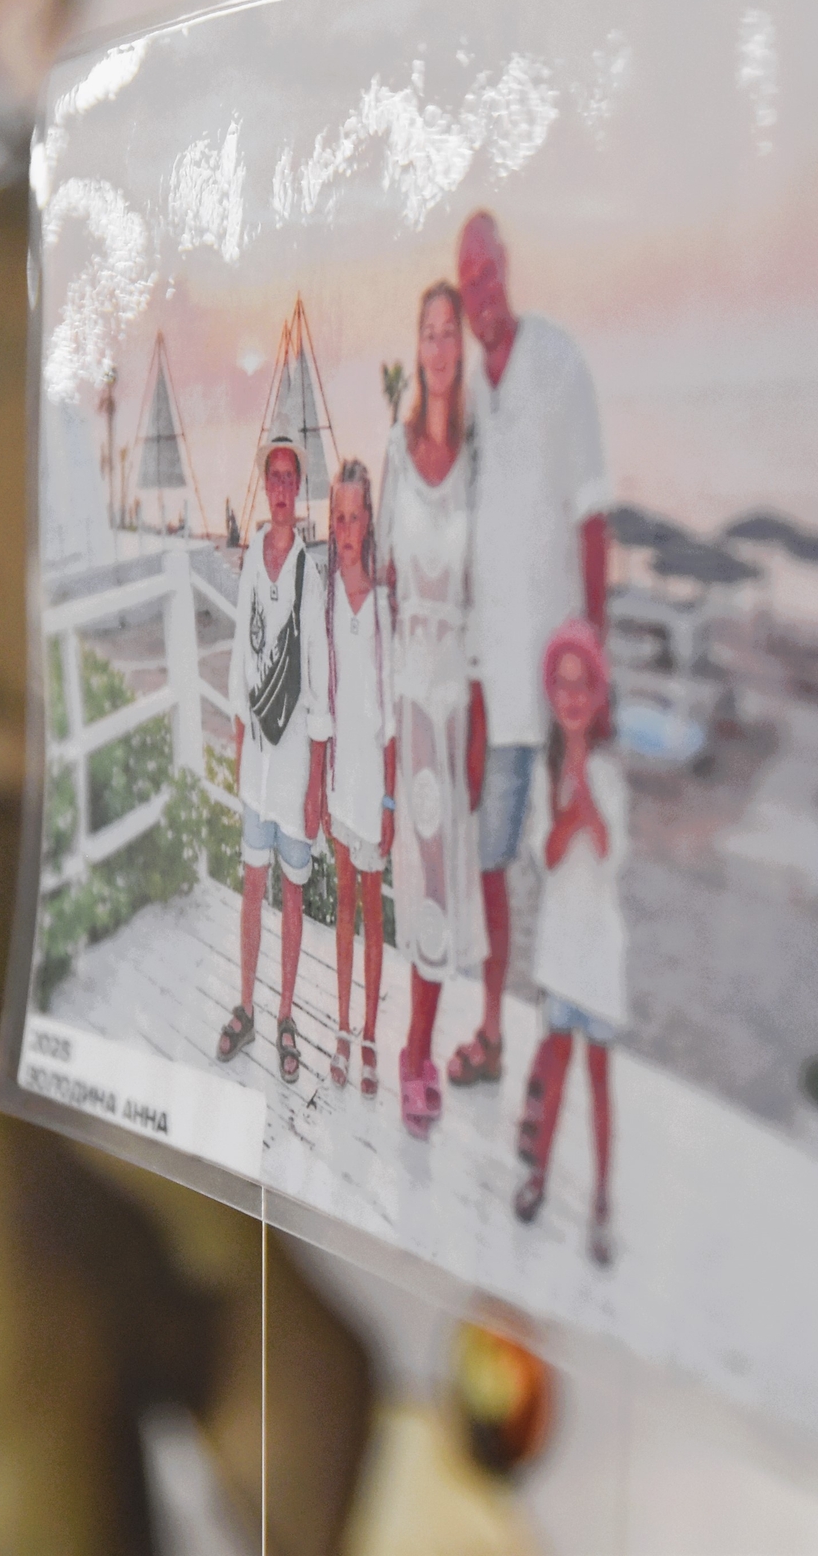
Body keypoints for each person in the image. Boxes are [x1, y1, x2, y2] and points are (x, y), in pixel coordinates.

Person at [451, 210, 613, 1090]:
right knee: (490, 867)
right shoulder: (474, 394)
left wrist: (597, 664)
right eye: (466, 280)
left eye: (486, 274)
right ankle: (490, 1033)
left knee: (564, 877)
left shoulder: (558, 362)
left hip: (557, 691)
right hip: (495, 687)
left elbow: (592, 515)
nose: (479, 293)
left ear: (506, 268)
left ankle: (557, 1055)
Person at [380, 281, 488, 1138]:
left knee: (447, 882)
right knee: (425, 875)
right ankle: (415, 1048)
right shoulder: (396, 448)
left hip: (458, 704)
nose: (441, 347)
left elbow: (487, 597)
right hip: (411, 698)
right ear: (417, 348)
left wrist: (480, 720)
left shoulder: (480, 461)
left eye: (451, 333)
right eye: (430, 333)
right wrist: (384, 725)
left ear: (463, 347)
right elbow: (384, 588)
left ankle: (418, 1043)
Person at [512, 620, 627, 1267]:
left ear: (599, 694)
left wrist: (589, 797)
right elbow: (548, 857)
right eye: (563, 684)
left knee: (599, 1081)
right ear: (551, 692)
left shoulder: (607, 772)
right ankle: (539, 1175)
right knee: (554, 1068)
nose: (573, 697)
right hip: (560, 955)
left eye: (584, 685)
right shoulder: (543, 770)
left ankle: (603, 1197)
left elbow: (611, 858)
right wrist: (570, 801)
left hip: (600, 956)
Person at [222, 414, 331, 1081]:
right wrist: (239, 743)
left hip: (293, 772)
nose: (284, 488)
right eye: (276, 477)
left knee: (292, 894)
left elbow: (317, 686)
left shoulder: (308, 576)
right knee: (251, 885)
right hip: (257, 765)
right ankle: (246, 1005)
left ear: (300, 488)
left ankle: (286, 1015)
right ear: (265, 485)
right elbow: (240, 660)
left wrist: (317, 783)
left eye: (292, 478)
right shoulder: (251, 563)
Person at [322, 458, 397, 1093]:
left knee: (374, 912)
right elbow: (324, 698)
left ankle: (371, 1034)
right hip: (339, 781)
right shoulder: (325, 599)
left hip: (374, 787)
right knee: (342, 904)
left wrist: (392, 800)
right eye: (338, 518)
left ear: (370, 520)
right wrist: (320, 785)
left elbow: (391, 712)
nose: (346, 529)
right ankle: (342, 1027)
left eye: (355, 517)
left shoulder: (383, 606)